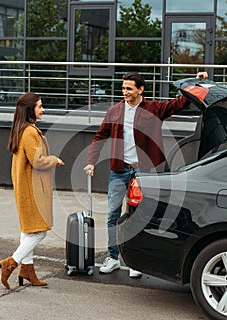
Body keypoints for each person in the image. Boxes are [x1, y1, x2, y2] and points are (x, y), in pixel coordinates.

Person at [84, 71, 208, 278]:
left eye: (129, 89)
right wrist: (90, 162)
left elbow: (180, 103)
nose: (124, 92)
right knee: (113, 215)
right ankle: (113, 257)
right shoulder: (115, 111)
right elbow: (99, 136)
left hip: (144, 172)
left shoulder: (154, 108)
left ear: (141, 90)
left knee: (141, 216)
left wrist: (199, 82)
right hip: (119, 170)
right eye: (123, 88)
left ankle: (136, 261)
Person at [0, 92, 64, 289]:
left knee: (27, 231)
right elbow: (38, 161)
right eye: (40, 106)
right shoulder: (30, 132)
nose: (43, 109)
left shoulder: (21, 129)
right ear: (30, 110)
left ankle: (28, 270)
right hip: (33, 189)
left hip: (25, 187)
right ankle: (11, 263)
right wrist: (55, 160)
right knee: (40, 231)